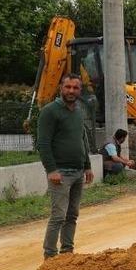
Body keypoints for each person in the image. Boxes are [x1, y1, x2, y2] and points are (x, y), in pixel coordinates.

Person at [37, 74, 94, 259]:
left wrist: (87, 166)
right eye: (67, 87)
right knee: (58, 216)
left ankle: (67, 253)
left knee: (72, 215)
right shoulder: (50, 111)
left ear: (80, 90)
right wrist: (51, 169)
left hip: (78, 172)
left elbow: (82, 139)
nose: (71, 91)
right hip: (60, 173)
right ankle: (50, 256)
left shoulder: (78, 111)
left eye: (75, 88)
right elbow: (43, 143)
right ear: (61, 88)